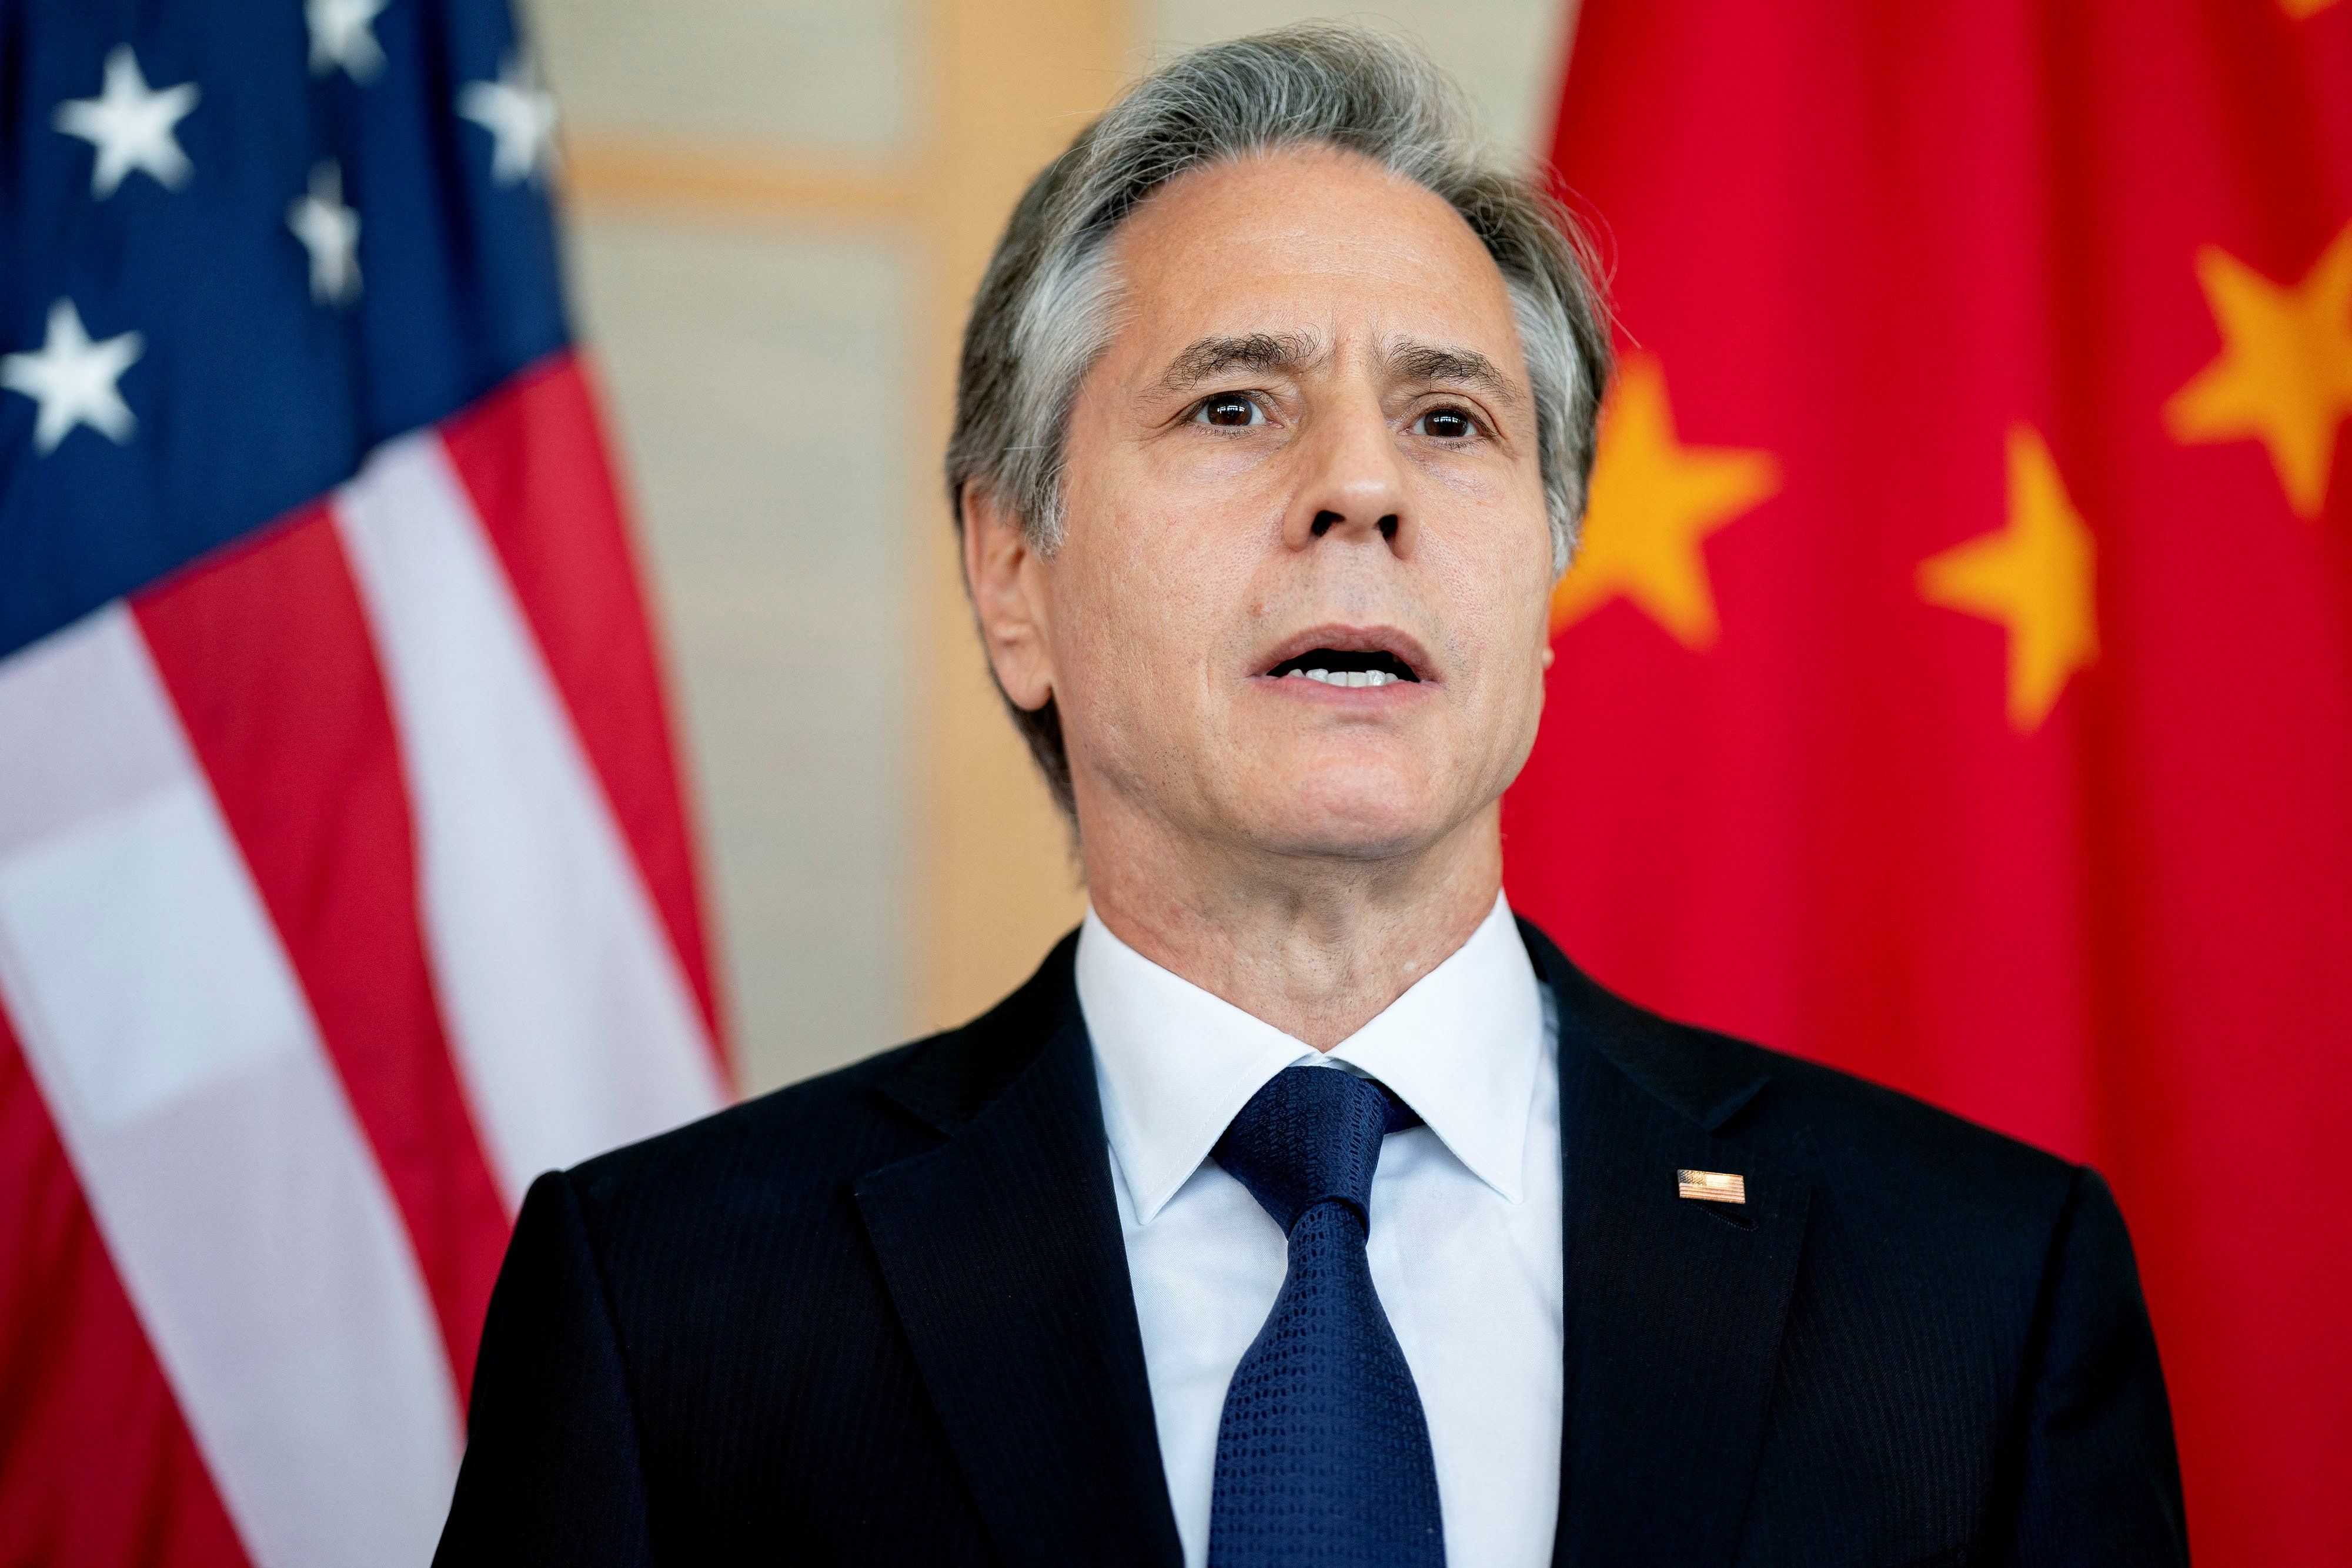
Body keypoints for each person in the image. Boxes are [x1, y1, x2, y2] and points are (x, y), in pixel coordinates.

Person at [434, 25, 2186, 1567]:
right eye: (1235, 402)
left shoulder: (1976, 1293)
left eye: (1450, 421)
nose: (1362, 485)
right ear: (1011, 568)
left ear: (1550, 568)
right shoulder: (674, 1308)